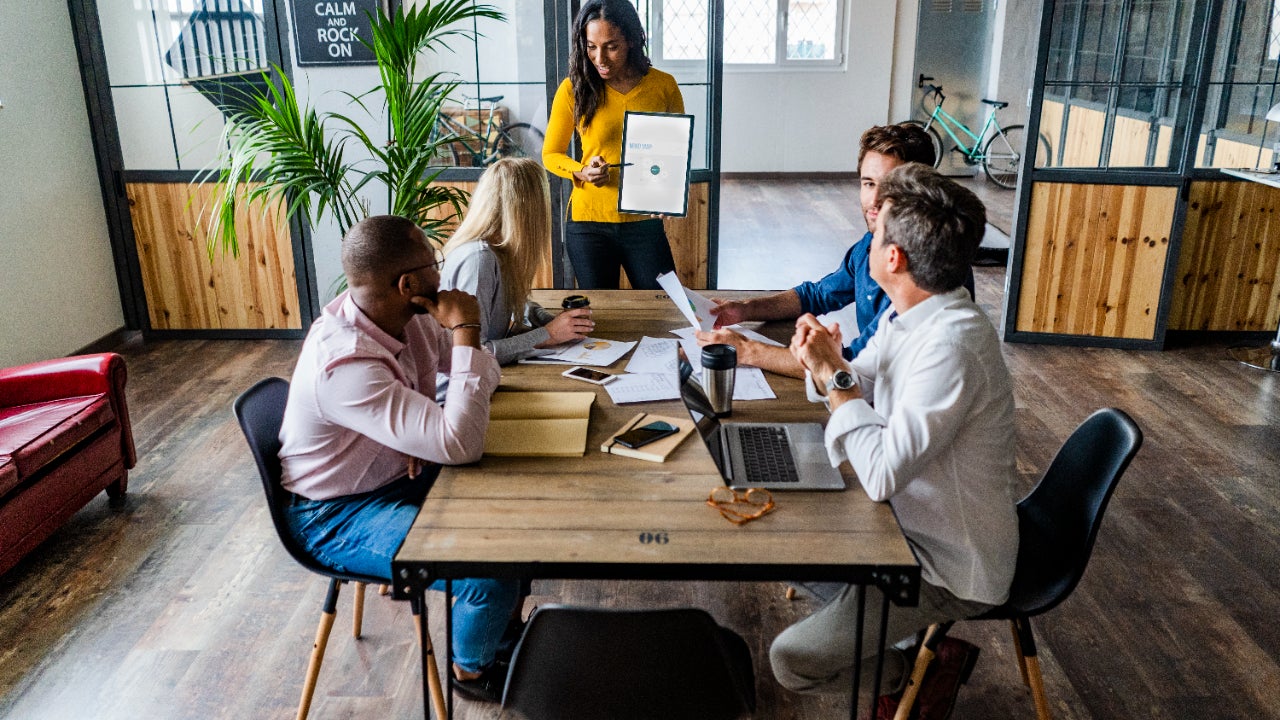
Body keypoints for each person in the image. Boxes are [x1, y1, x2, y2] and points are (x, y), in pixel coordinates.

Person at [770, 164, 1018, 715]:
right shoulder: (914, 313)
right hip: (910, 527)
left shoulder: (952, 346)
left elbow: (879, 474)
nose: (869, 237)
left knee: (791, 659)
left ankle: (913, 674)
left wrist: (833, 376)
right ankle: (893, 635)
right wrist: (829, 365)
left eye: (877, 233)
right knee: (773, 547)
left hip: (948, 566)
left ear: (893, 259)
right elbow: (858, 382)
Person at [278, 215, 520, 703]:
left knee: (520, 514)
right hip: (336, 514)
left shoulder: (409, 319)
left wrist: (415, 433)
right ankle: (470, 670)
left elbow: (486, 371)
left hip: (391, 476)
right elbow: (460, 444)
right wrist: (467, 329)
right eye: (435, 262)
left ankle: (498, 629)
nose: (442, 272)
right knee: (488, 565)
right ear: (408, 283)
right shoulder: (345, 362)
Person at [698, 123, 975, 377]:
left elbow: (853, 367)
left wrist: (747, 350)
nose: (874, 199)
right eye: (868, 183)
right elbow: (816, 296)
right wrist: (744, 310)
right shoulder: (870, 245)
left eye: (892, 187)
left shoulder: (926, 272)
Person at [543, 0, 684, 290]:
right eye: (591, 46)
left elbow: (675, 152)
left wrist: (668, 193)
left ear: (632, 40)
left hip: (643, 222)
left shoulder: (663, 86)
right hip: (588, 223)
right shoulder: (574, 88)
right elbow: (551, 154)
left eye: (611, 46)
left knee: (663, 308)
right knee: (601, 318)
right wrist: (582, 171)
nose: (600, 58)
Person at [440, 157, 595, 364]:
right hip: (457, 391)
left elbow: (512, 304)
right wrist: (548, 334)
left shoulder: (500, 250)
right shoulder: (479, 260)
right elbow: (473, 354)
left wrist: (547, 320)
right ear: (529, 210)